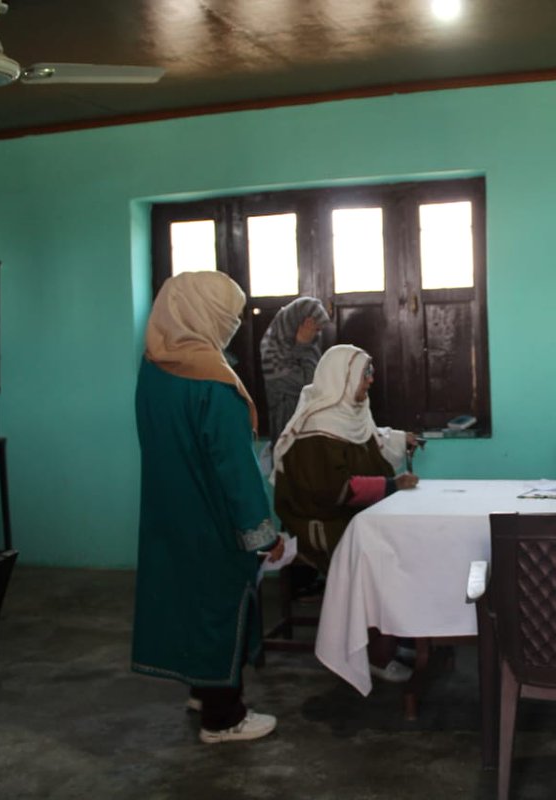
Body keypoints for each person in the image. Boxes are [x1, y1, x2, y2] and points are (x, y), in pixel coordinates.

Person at [131, 271, 285, 745]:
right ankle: (223, 717)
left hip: (168, 512)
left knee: (190, 604)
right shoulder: (214, 383)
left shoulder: (154, 370)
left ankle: (201, 691)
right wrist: (264, 533)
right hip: (213, 519)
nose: (234, 324)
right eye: (229, 315)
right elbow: (235, 468)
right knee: (223, 606)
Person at [273, 343, 421, 682]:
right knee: (381, 562)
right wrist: (390, 486)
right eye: (365, 374)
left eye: (370, 373)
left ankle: (397, 634)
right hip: (320, 522)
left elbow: (372, 444)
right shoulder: (316, 429)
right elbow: (330, 489)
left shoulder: (352, 415)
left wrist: (400, 442)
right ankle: (374, 654)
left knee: (405, 546)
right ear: (343, 377)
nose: (370, 381)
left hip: (353, 516)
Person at [259, 296, 331, 444]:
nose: (315, 334)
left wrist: (304, 346)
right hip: (287, 427)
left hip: (309, 424)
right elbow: (311, 385)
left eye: (317, 330)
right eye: (314, 329)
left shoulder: (307, 344)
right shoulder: (273, 352)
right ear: (296, 323)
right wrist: (303, 346)